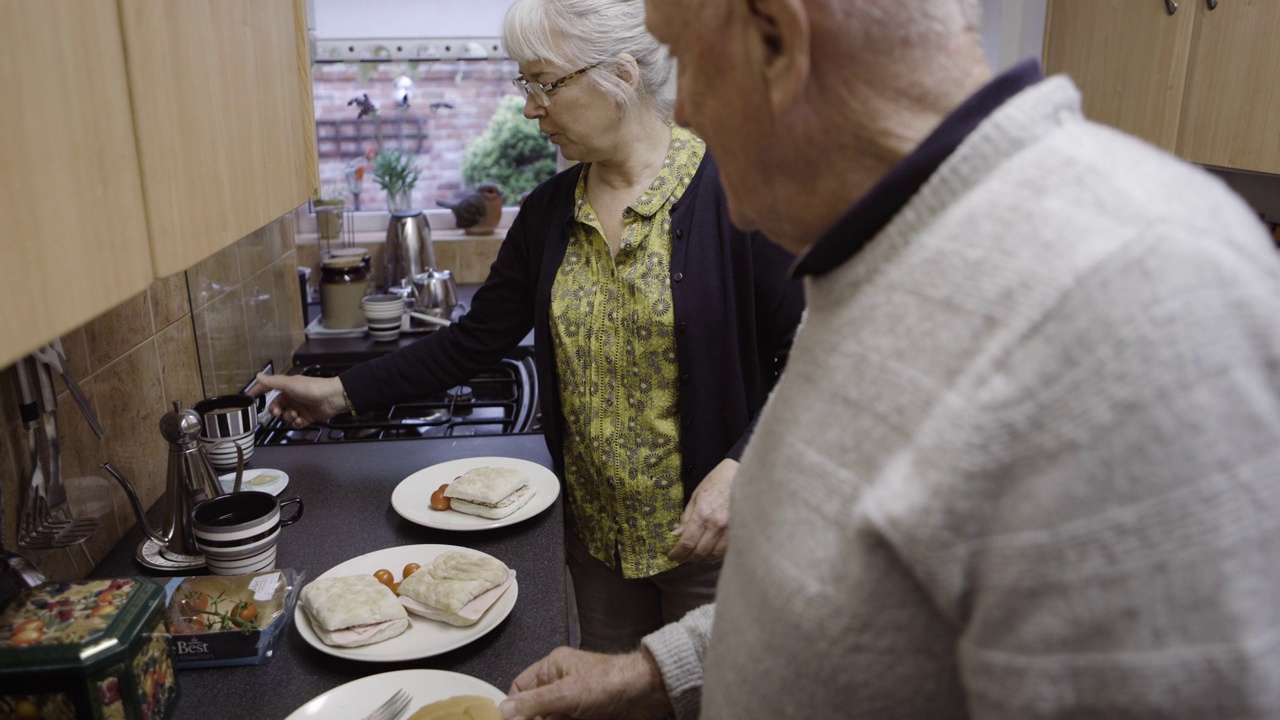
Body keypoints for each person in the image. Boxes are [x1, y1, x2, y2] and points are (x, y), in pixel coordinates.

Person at [498, 0, 1280, 718]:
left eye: (685, 60)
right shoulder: (871, 257)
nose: (686, 110)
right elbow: (840, 594)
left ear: (779, 38)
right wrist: (650, 672)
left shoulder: (1145, 294)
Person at [254, 0, 803, 654]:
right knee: (613, 700)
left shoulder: (740, 188)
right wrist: (340, 393)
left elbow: (813, 356)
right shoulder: (547, 214)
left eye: (544, 82)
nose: (529, 107)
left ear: (622, 75)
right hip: (597, 545)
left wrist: (741, 468)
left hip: (714, 538)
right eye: (526, 84)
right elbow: (472, 342)